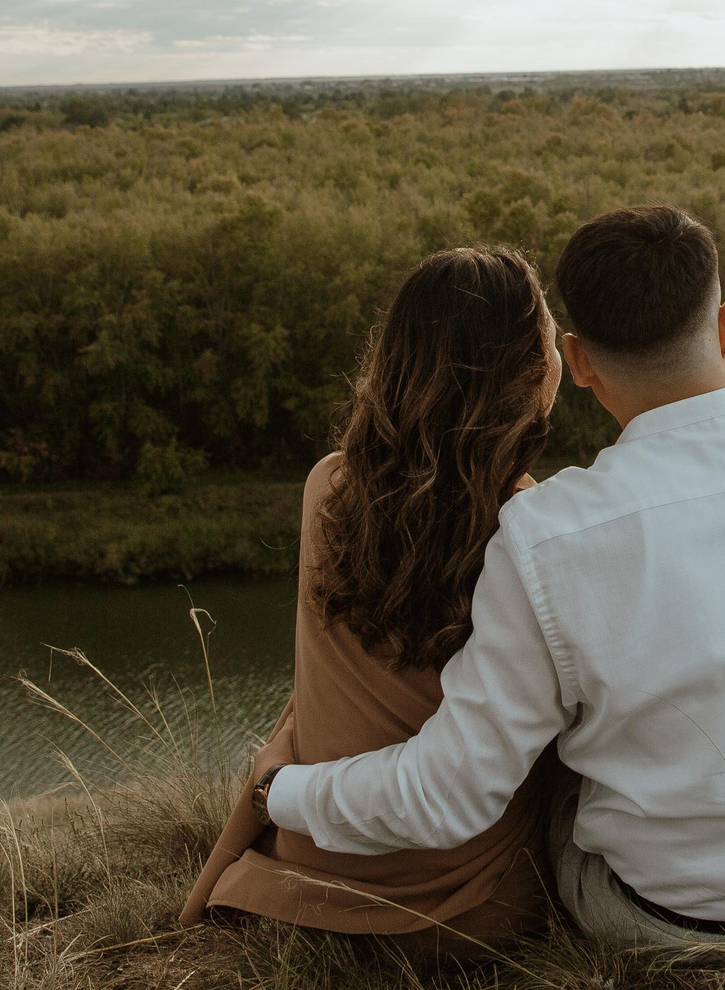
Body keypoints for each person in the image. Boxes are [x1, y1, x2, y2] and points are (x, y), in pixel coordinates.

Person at [258, 205, 725, 949]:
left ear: (579, 362)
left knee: (556, 756)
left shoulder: (547, 534)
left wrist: (280, 789)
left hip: (669, 918)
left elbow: (448, 794)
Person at [180, 247, 564, 952]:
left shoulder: (328, 488)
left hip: (314, 874)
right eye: (546, 335)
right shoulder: (525, 523)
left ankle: (272, 804)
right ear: (523, 372)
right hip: (465, 904)